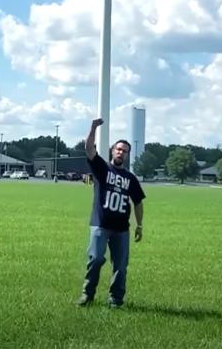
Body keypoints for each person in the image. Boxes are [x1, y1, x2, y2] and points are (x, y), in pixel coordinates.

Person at [76, 118, 146, 308]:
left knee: (120, 266)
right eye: (118, 149)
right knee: (96, 259)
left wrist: (139, 225)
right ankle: (87, 294)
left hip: (121, 229)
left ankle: (116, 299)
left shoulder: (130, 178)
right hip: (100, 224)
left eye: (125, 151)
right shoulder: (102, 168)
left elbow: (138, 202)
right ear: (112, 151)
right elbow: (89, 149)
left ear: (128, 155)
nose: (121, 152)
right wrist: (93, 128)